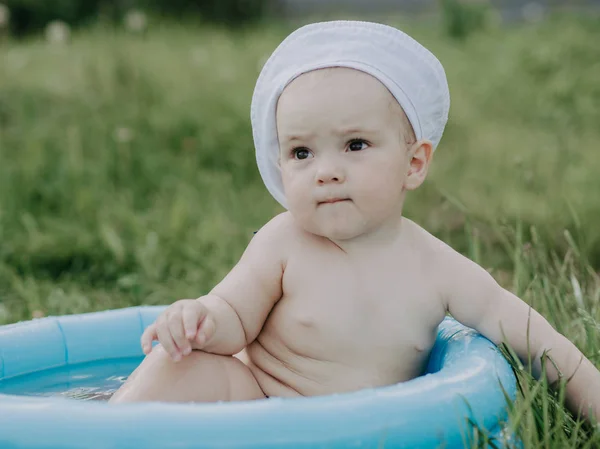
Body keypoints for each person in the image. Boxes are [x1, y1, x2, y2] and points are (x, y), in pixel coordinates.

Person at [109, 20, 600, 421]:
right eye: (302, 152)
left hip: (365, 431)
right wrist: (198, 320)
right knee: (176, 365)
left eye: (355, 145)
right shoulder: (284, 242)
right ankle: (90, 434)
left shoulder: (437, 269)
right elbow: (232, 317)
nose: (326, 172)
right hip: (257, 406)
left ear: (413, 163)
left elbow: (537, 340)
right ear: (281, 165)